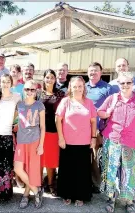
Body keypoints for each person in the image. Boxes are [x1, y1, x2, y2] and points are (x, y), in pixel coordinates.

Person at [98, 71, 135, 213]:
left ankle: (128, 201)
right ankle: (111, 199)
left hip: (132, 143)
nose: (125, 85)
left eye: (128, 82)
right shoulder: (112, 98)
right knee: (111, 171)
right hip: (112, 141)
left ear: (133, 84)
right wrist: (107, 112)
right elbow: (100, 112)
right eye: (122, 83)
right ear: (118, 84)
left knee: (129, 173)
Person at [56, 76, 97, 207]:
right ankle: (67, 194)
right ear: (70, 88)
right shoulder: (65, 101)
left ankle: (81, 196)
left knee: (82, 171)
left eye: (80, 86)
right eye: (75, 86)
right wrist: (61, 137)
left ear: (84, 87)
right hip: (67, 142)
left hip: (84, 143)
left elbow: (93, 121)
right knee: (67, 170)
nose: (78, 88)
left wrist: (93, 138)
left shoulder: (89, 103)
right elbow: (58, 120)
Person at [14, 80, 45, 209]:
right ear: (23, 90)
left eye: (32, 90)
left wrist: (41, 145)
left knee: (31, 171)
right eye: (27, 89)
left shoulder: (39, 105)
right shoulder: (19, 104)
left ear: (36, 91)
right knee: (18, 169)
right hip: (21, 141)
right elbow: (12, 119)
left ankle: (26, 195)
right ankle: (37, 191)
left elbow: (43, 126)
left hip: (35, 140)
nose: (30, 92)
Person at [86, 62, 113, 193]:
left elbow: (113, 109)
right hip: (85, 130)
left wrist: (105, 129)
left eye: (96, 70)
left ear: (101, 73)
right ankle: (93, 183)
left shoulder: (108, 88)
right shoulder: (83, 87)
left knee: (103, 158)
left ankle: (105, 184)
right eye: (91, 70)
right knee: (90, 158)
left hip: (101, 130)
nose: (93, 73)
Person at [37, 69, 65, 196]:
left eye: (52, 77)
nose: (49, 79)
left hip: (54, 131)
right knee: (39, 159)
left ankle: (51, 184)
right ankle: (38, 183)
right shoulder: (38, 93)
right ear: (43, 79)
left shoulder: (60, 94)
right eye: (47, 77)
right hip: (39, 131)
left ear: (55, 79)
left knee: (51, 160)